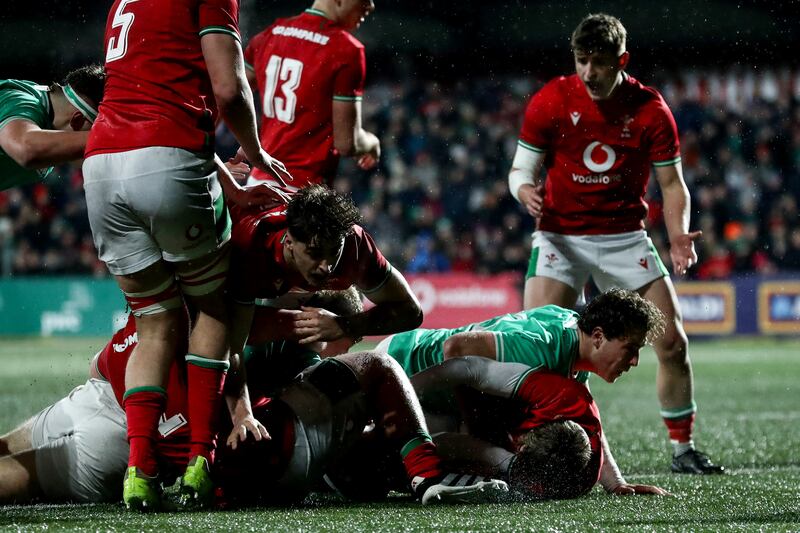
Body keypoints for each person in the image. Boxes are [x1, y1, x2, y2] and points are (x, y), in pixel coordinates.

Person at [82, 0, 293, 510]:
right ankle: (202, 459)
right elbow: (228, 89)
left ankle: (140, 469)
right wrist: (256, 153)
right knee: (212, 307)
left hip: (101, 165)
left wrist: (229, 185)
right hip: (168, 159)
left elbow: (150, 98)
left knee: (154, 319)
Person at [506, 13, 723, 475]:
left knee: (672, 343)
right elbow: (520, 170)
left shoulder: (650, 109)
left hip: (624, 238)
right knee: (536, 350)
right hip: (560, 239)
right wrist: (523, 190)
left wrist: (678, 234)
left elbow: (673, 184)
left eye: (599, 62)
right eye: (581, 61)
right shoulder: (550, 99)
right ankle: (532, 450)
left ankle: (683, 449)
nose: (589, 72)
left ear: (621, 61)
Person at [0, 314, 509, 506]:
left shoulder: (151, 321)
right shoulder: (267, 328)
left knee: (13, 456)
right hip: (189, 444)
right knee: (376, 384)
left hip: (114, 404)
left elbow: (97, 365)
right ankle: (433, 473)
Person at [379, 288, 670, 495]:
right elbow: (456, 348)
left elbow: (588, 419)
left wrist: (615, 483)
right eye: (630, 349)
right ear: (598, 337)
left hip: (426, 385)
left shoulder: (573, 347)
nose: (634, 361)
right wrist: (475, 427)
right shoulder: (543, 348)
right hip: (406, 362)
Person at [227, 184, 423, 356]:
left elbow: (410, 311)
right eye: (315, 253)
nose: (326, 267)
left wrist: (344, 325)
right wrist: (293, 324)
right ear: (289, 242)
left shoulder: (353, 244)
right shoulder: (248, 246)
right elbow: (223, 326)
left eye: (334, 252)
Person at [412, 360, 607, 500]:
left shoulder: (570, 483)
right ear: (553, 419)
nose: (521, 447)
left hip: (482, 416)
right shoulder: (561, 396)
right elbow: (468, 366)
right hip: (434, 362)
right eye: (527, 441)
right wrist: (405, 390)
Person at [243, 0, 380, 191]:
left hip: (256, 187)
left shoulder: (270, 34)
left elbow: (230, 95)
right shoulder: (346, 50)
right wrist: (372, 143)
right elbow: (347, 143)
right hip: (304, 194)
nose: (371, 6)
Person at [0, 65, 104, 191]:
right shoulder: (18, 100)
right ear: (77, 121)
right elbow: (27, 149)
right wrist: (104, 137)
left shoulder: (47, 137)